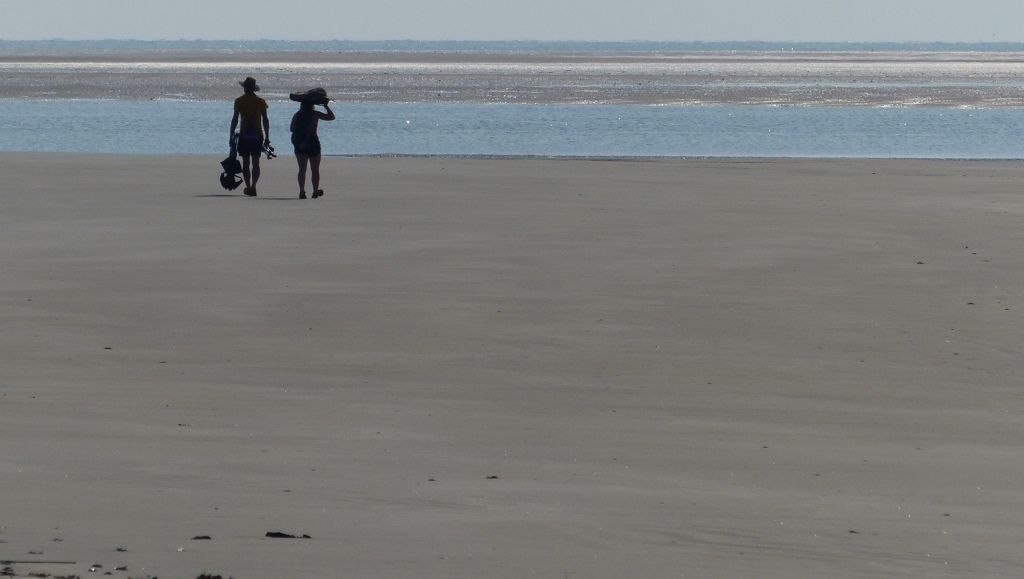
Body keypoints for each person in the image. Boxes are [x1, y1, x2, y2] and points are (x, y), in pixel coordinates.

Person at [230, 77, 270, 197]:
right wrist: (267, 137)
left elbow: (235, 119)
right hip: (258, 135)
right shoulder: (261, 101)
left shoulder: (239, 101)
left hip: (244, 135)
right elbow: (265, 120)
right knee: (256, 162)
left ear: (244, 88)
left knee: (246, 162)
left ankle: (248, 187)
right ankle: (253, 186)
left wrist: (231, 134)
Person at [289, 96, 335, 199]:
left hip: (300, 144)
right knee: (315, 169)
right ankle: (315, 191)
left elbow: (291, 129)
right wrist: (326, 106)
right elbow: (331, 117)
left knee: (302, 169)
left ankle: (302, 191)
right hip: (313, 143)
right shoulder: (315, 114)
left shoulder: (297, 115)